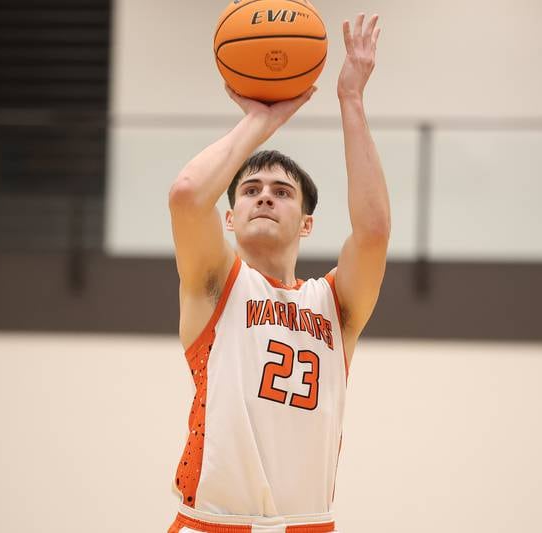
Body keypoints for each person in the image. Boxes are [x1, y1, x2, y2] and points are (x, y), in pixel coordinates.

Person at [167, 13, 389, 533]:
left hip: (308, 524)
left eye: (282, 191)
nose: (265, 194)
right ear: (230, 217)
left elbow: (374, 231)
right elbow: (185, 195)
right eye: (250, 189)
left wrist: (351, 100)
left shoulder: (334, 304)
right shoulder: (217, 284)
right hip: (212, 524)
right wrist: (263, 120)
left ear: (307, 223)